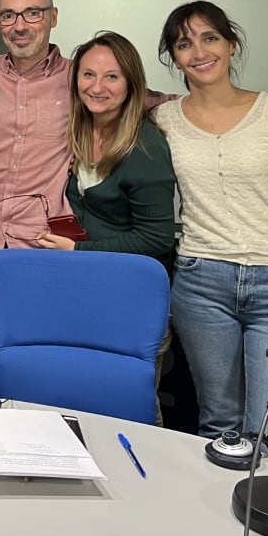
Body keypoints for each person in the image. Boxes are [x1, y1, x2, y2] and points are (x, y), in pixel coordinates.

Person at [0, 0, 268, 384]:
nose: (21, 24)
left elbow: (175, 106)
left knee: (61, 372)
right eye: (8, 15)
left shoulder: (78, 81)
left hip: (57, 256)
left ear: (53, 18)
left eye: (33, 13)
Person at [151, 1, 268, 444]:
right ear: (173, 58)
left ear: (231, 45)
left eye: (209, 38)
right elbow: (110, 96)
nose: (198, 52)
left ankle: (255, 511)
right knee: (218, 423)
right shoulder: (163, 119)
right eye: (183, 44)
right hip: (201, 283)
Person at [36, 32, 176, 422]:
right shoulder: (81, 132)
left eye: (112, 77)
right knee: (82, 403)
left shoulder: (145, 147)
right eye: (88, 75)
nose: (97, 88)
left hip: (133, 300)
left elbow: (156, 239)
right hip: (87, 291)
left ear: (132, 83)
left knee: (130, 410)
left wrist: (76, 251)